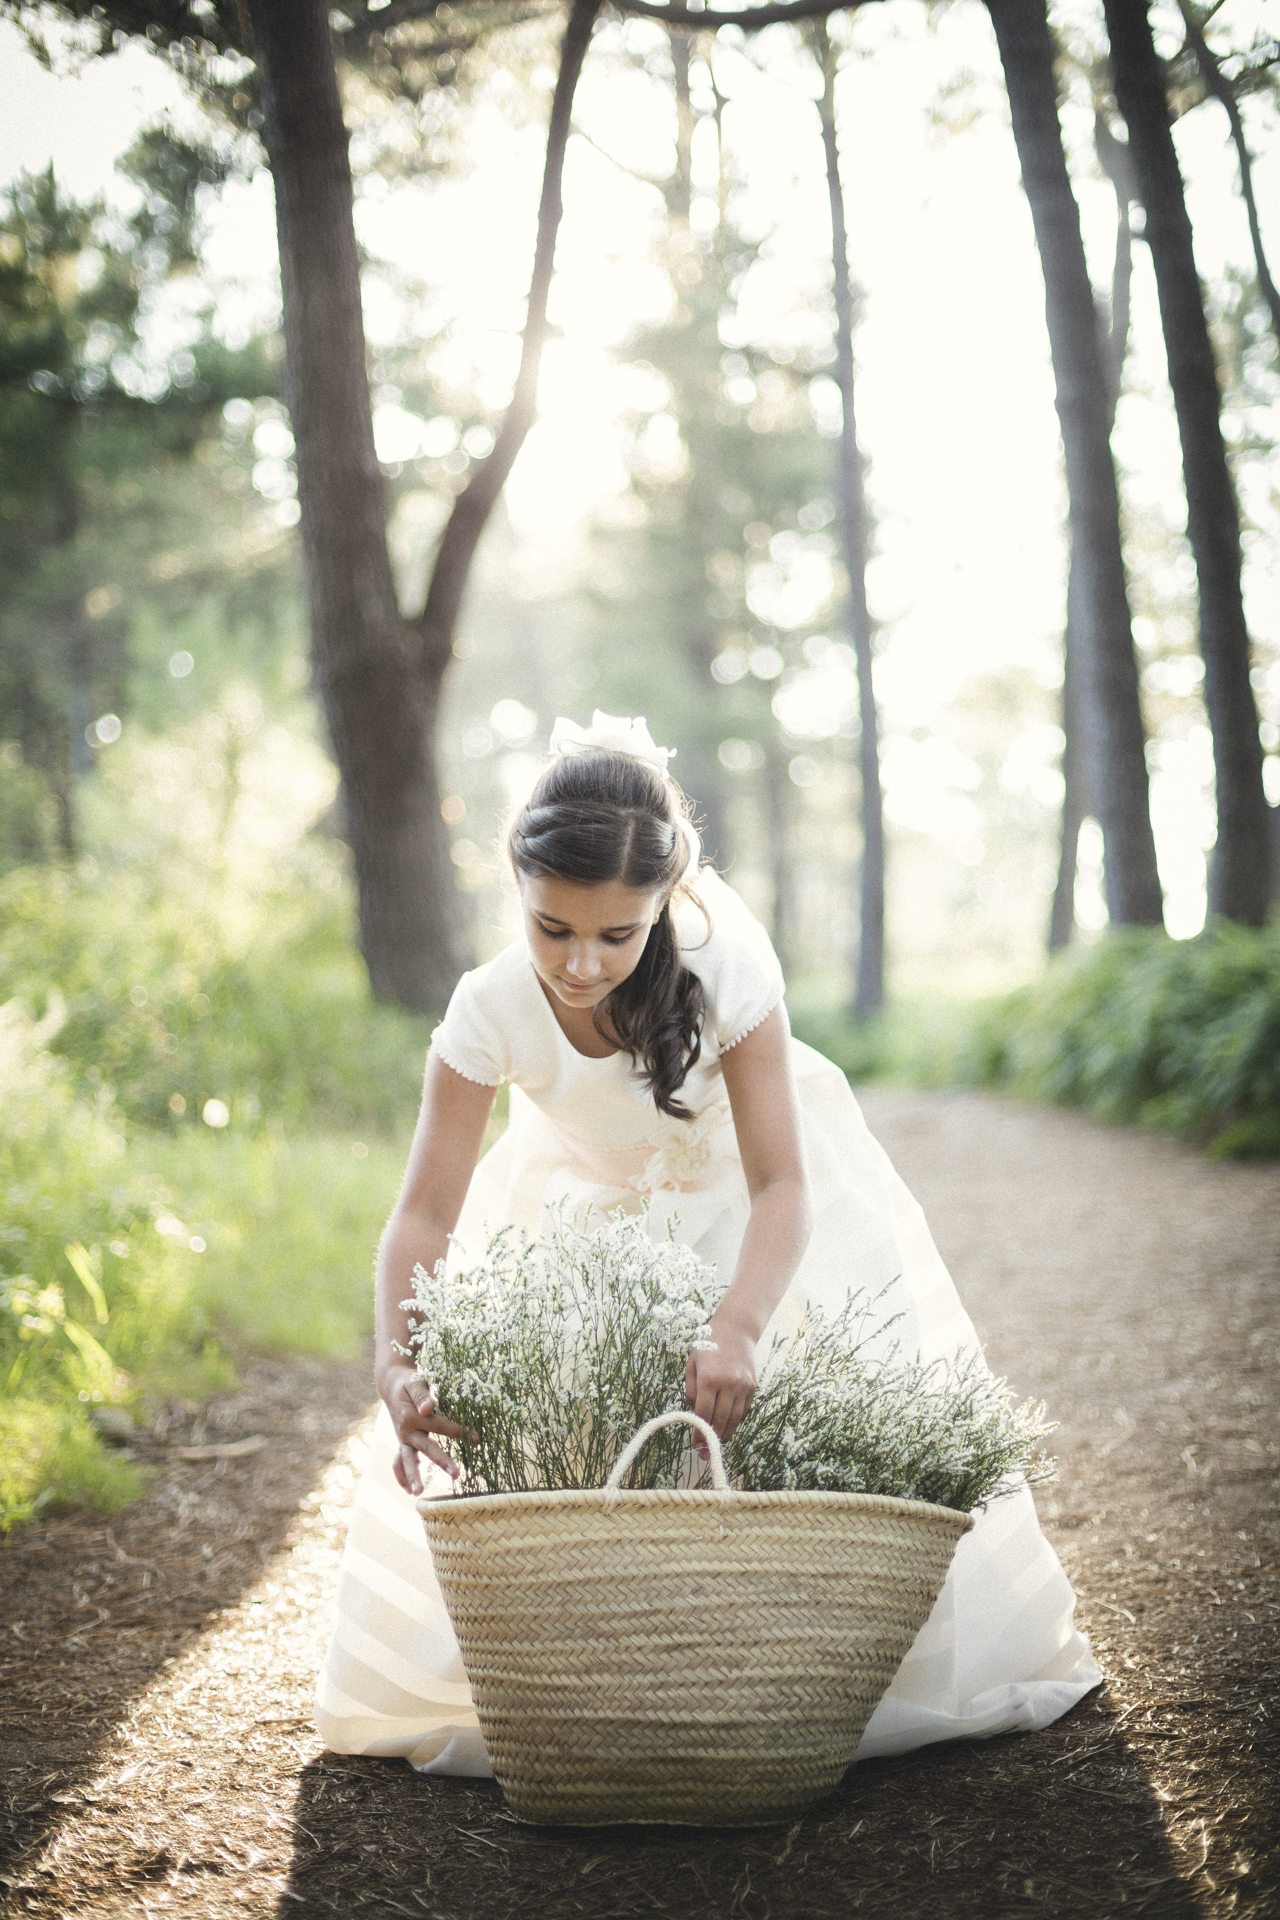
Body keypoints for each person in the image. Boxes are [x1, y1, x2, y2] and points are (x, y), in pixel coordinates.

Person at [315, 712, 1099, 1775]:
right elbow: (421, 1213)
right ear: (516, 893)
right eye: (552, 929)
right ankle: (623, 1684)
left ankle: (788, 1669)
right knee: (584, 1449)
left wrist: (737, 1323)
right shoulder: (486, 1009)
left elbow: (783, 1181)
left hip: (750, 1209)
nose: (580, 963)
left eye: (614, 934)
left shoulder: (722, 966)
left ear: (662, 906)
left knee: (764, 1435)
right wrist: (397, 1355)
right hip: (585, 1222)